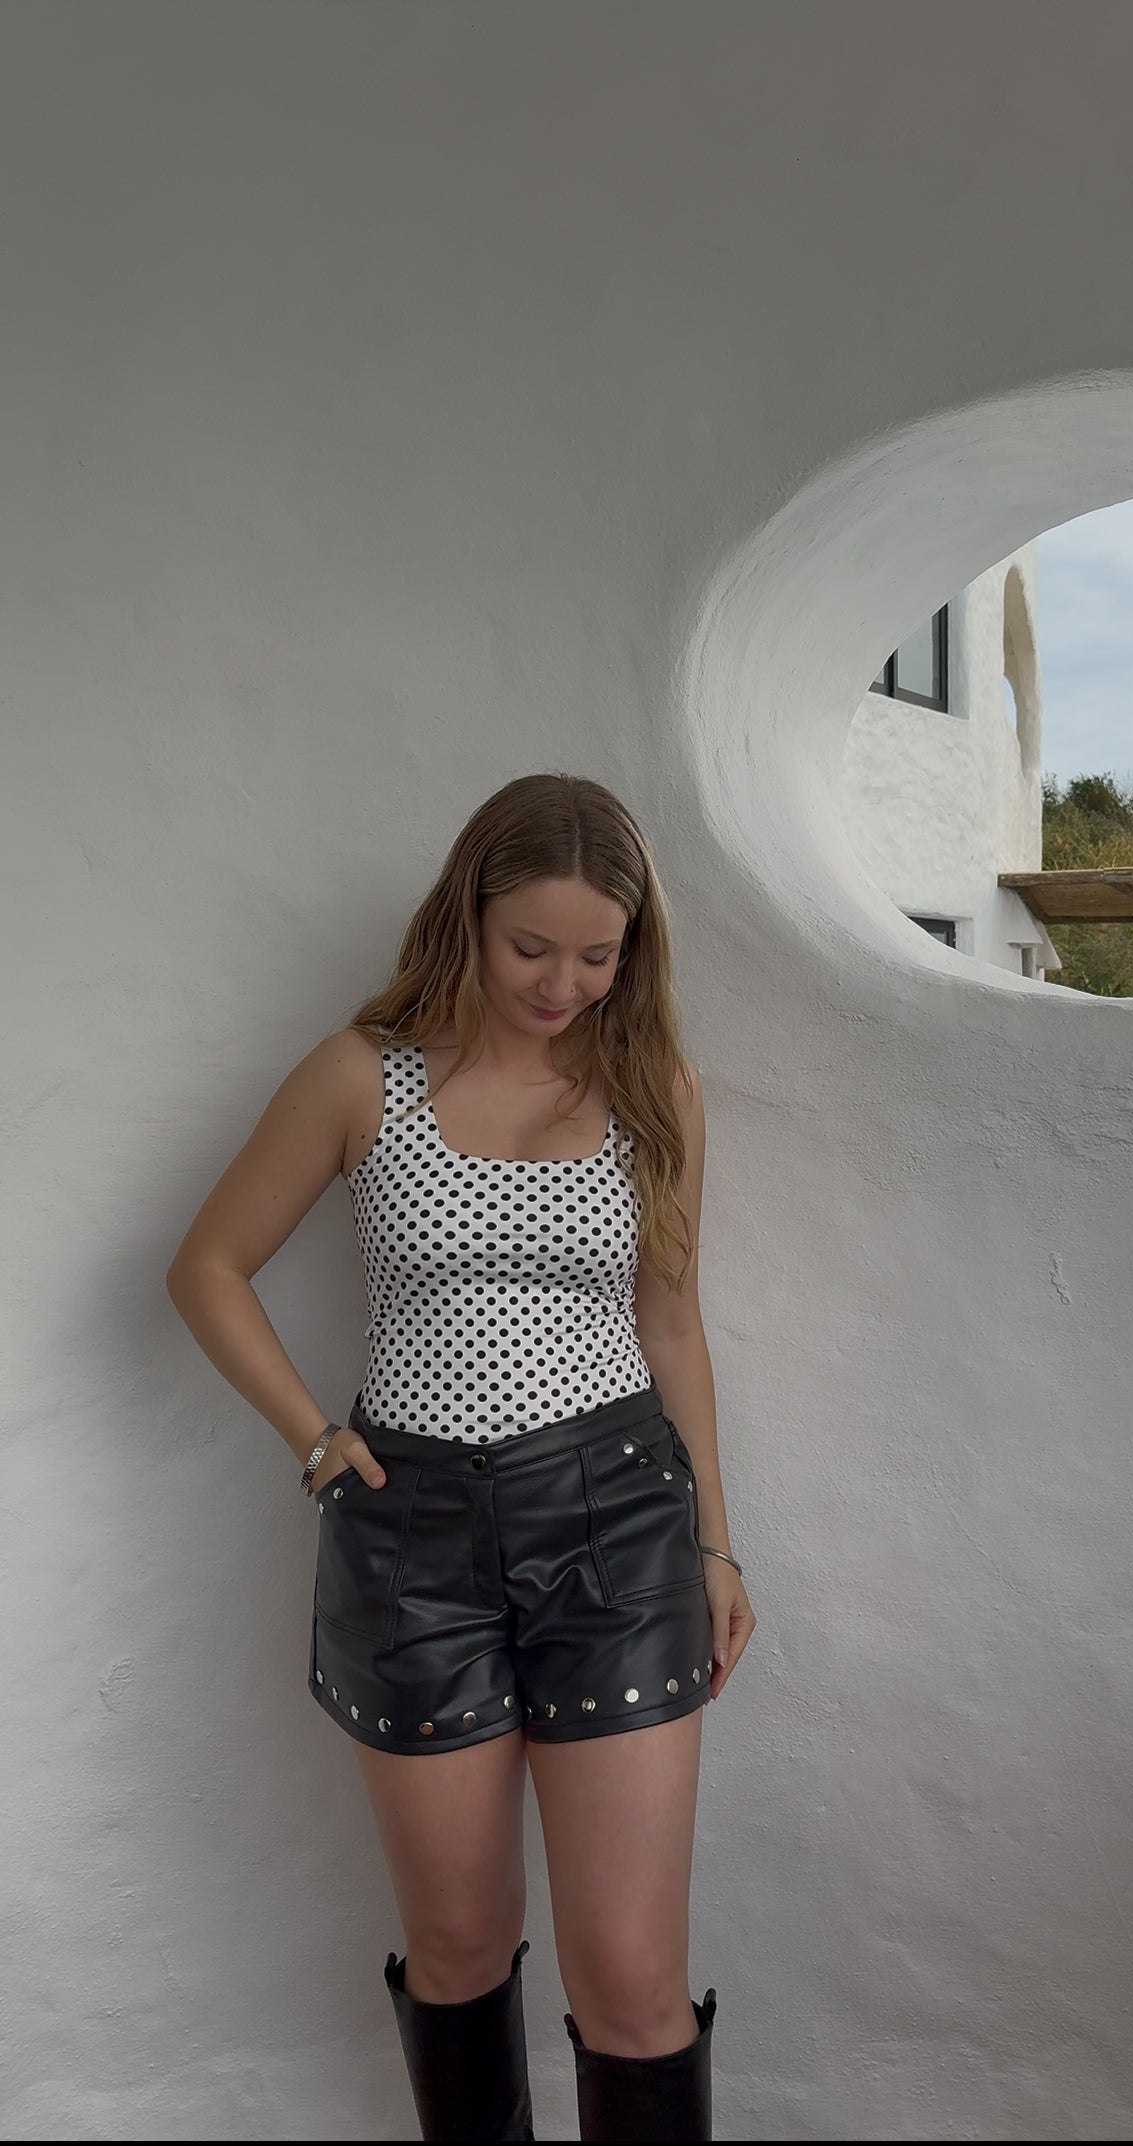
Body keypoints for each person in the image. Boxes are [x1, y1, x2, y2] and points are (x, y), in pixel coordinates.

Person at [166, 770, 756, 2142]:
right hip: (411, 1538)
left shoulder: (652, 1089)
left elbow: (671, 1326)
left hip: (618, 1529)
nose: (563, 984)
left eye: (598, 956)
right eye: (531, 947)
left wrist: (717, 1544)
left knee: (631, 1974)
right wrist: (317, 1441)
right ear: (468, 916)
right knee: (456, 1947)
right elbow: (207, 1266)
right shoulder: (358, 1075)